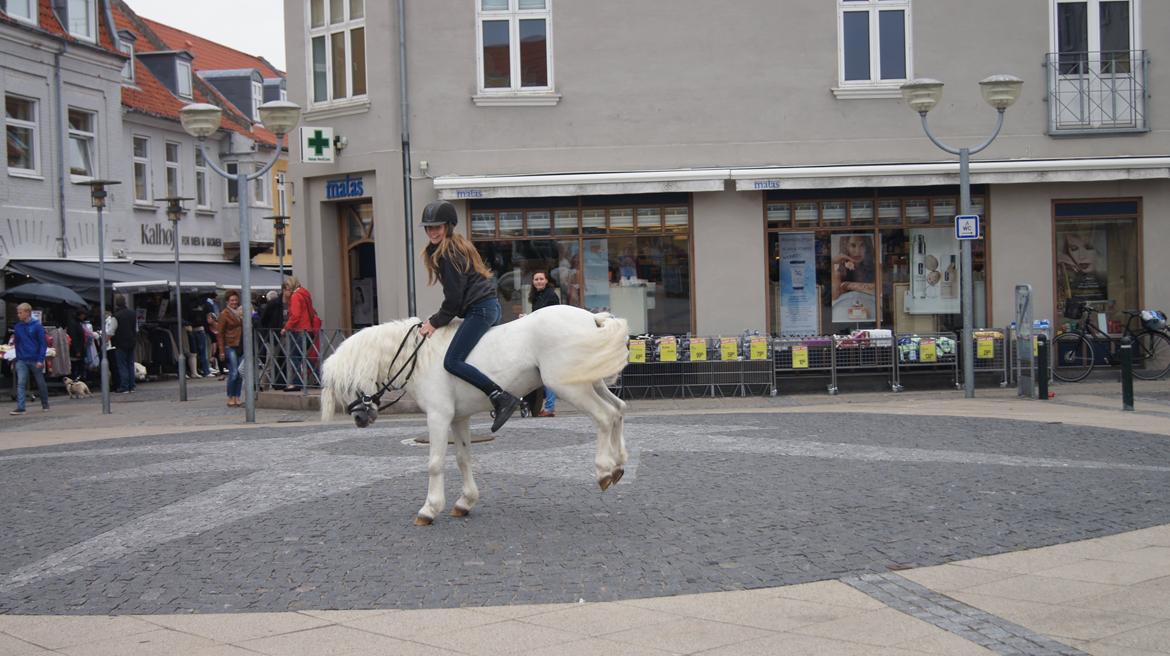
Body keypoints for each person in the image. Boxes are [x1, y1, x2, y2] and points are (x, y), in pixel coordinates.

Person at [417, 200, 521, 432]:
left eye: (437, 227)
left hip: (480, 310)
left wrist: (434, 322)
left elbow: (454, 300)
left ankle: (499, 397)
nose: (432, 232)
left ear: (448, 226)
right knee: (474, 359)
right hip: (488, 306)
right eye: (429, 228)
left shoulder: (448, 254)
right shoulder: (454, 247)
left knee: (452, 361)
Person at [526, 270, 559, 417]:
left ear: (546, 281)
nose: (539, 281)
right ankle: (545, 406)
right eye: (536, 279)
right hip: (541, 338)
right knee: (545, 373)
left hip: (549, 338)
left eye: (541, 279)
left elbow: (551, 317)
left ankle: (550, 407)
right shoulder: (536, 296)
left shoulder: (551, 295)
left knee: (547, 374)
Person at [10, 303, 50, 415]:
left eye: (20, 312)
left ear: (27, 312)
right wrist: (17, 357)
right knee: (21, 382)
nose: (18, 315)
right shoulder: (18, 327)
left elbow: (42, 344)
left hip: (34, 358)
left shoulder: (37, 326)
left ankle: (45, 403)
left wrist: (40, 359)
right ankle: (21, 407)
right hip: (22, 358)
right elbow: (17, 343)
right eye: (18, 312)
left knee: (40, 382)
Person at [281, 276, 318, 392]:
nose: (285, 291)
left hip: (299, 330)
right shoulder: (305, 294)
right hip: (308, 330)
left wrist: (286, 328)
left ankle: (297, 383)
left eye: (286, 288)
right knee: (304, 357)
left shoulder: (296, 296)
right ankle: (319, 378)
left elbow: (295, 316)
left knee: (294, 356)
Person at [1058, 231, 1107, 303]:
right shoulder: (1070, 277)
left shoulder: (1106, 279)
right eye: (1074, 248)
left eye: (1089, 248)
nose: (1081, 256)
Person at [216, 290, 245, 407]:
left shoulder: (241, 312)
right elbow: (220, 333)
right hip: (230, 345)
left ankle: (237, 396)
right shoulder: (224, 314)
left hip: (241, 345)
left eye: (236, 300)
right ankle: (230, 396)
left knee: (240, 372)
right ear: (227, 301)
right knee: (233, 372)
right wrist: (221, 350)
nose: (234, 302)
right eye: (232, 300)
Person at [259, 289, 285, 389]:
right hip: (273, 336)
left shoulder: (271, 306)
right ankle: (264, 385)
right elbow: (264, 321)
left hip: (273, 336)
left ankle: (266, 385)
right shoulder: (274, 306)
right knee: (271, 361)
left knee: (271, 362)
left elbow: (263, 321)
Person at [112, 296, 138, 393]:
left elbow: (111, 330)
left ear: (116, 304)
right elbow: (136, 329)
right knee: (130, 364)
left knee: (122, 365)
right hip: (131, 342)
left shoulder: (116, 316)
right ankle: (132, 385)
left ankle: (124, 386)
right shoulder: (133, 314)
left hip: (120, 343)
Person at [66, 309, 88, 383]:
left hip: (79, 348)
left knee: (79, 366)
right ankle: (76, 380)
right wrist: (77, 350)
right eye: (83, 315)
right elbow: (74, 337)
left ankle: (78, 379)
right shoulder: (74, 324)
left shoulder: (78, 323)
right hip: (76, 349)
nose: (84, 317)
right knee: (76, 366)